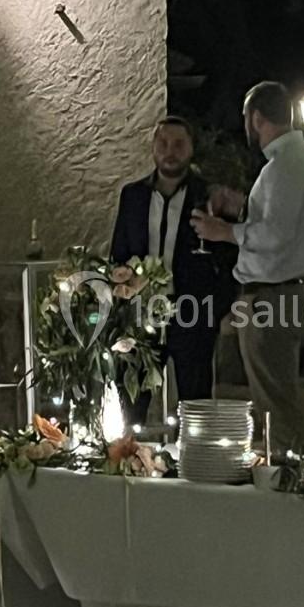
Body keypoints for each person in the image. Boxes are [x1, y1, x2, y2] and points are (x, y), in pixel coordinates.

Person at [190, 82, 304, 455]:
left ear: (255, 118)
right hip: (285, 293)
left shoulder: (283, 166)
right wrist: (241, 206)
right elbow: (281, 220)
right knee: (276, 395)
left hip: (271, 298)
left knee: (274, 402)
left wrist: (223, 231)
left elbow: (275, 235)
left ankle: (288, 473)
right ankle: (289, 466)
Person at [110, 116, 228, 422]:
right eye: (163, 143)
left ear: (191, 149)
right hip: (141, 316)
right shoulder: (133, 196)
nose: (170, 151)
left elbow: (228, 259)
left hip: (192, 312)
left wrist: (217, 310)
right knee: (131, 404)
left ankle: (194, 453)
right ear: (153, 147)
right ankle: (130, 450)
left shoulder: (208, 196)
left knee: (196, 406)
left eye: (178, 144)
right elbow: (118, 253)